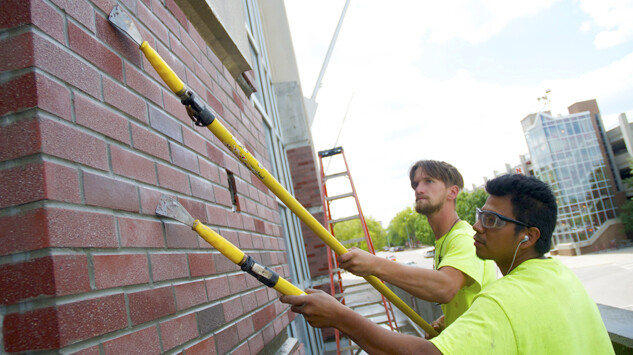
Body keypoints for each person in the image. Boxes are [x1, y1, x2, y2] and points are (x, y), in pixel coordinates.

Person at [281, 174, 614, 354]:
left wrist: (340, 315)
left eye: (493, 221)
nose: (479, 226)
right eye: (481, 215)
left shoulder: (502, 300)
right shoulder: (560, 275)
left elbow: (446, 292)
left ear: (527, 237)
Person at [337, 160, 496, 333]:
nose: (419, 190)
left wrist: (375, 264)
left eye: (429, 181)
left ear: (452, 192)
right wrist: (449, 321)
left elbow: (445, 287)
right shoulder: (445, 240)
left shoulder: (464, 238)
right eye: (415, 184)